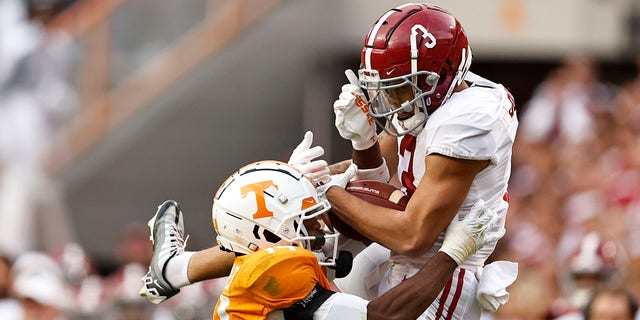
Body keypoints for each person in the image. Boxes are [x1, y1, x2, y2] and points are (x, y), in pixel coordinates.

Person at [325, 2, 519, 319]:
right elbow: (375, 178)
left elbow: (412, 235)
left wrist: (330, 194)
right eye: (384, 89)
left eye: (399, 89)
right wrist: (363, 142)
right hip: (402, 255)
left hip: (443, 272)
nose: (389, 101)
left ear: (439, 79)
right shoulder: (434, 99)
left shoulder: (466, 120)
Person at [145, 160, 504, 320]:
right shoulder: (276, 270)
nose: (320, 229)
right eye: (307, 222)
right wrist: (450, 255)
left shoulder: (259, 259)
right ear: (264, 237)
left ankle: (176, 268)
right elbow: (385, 318)